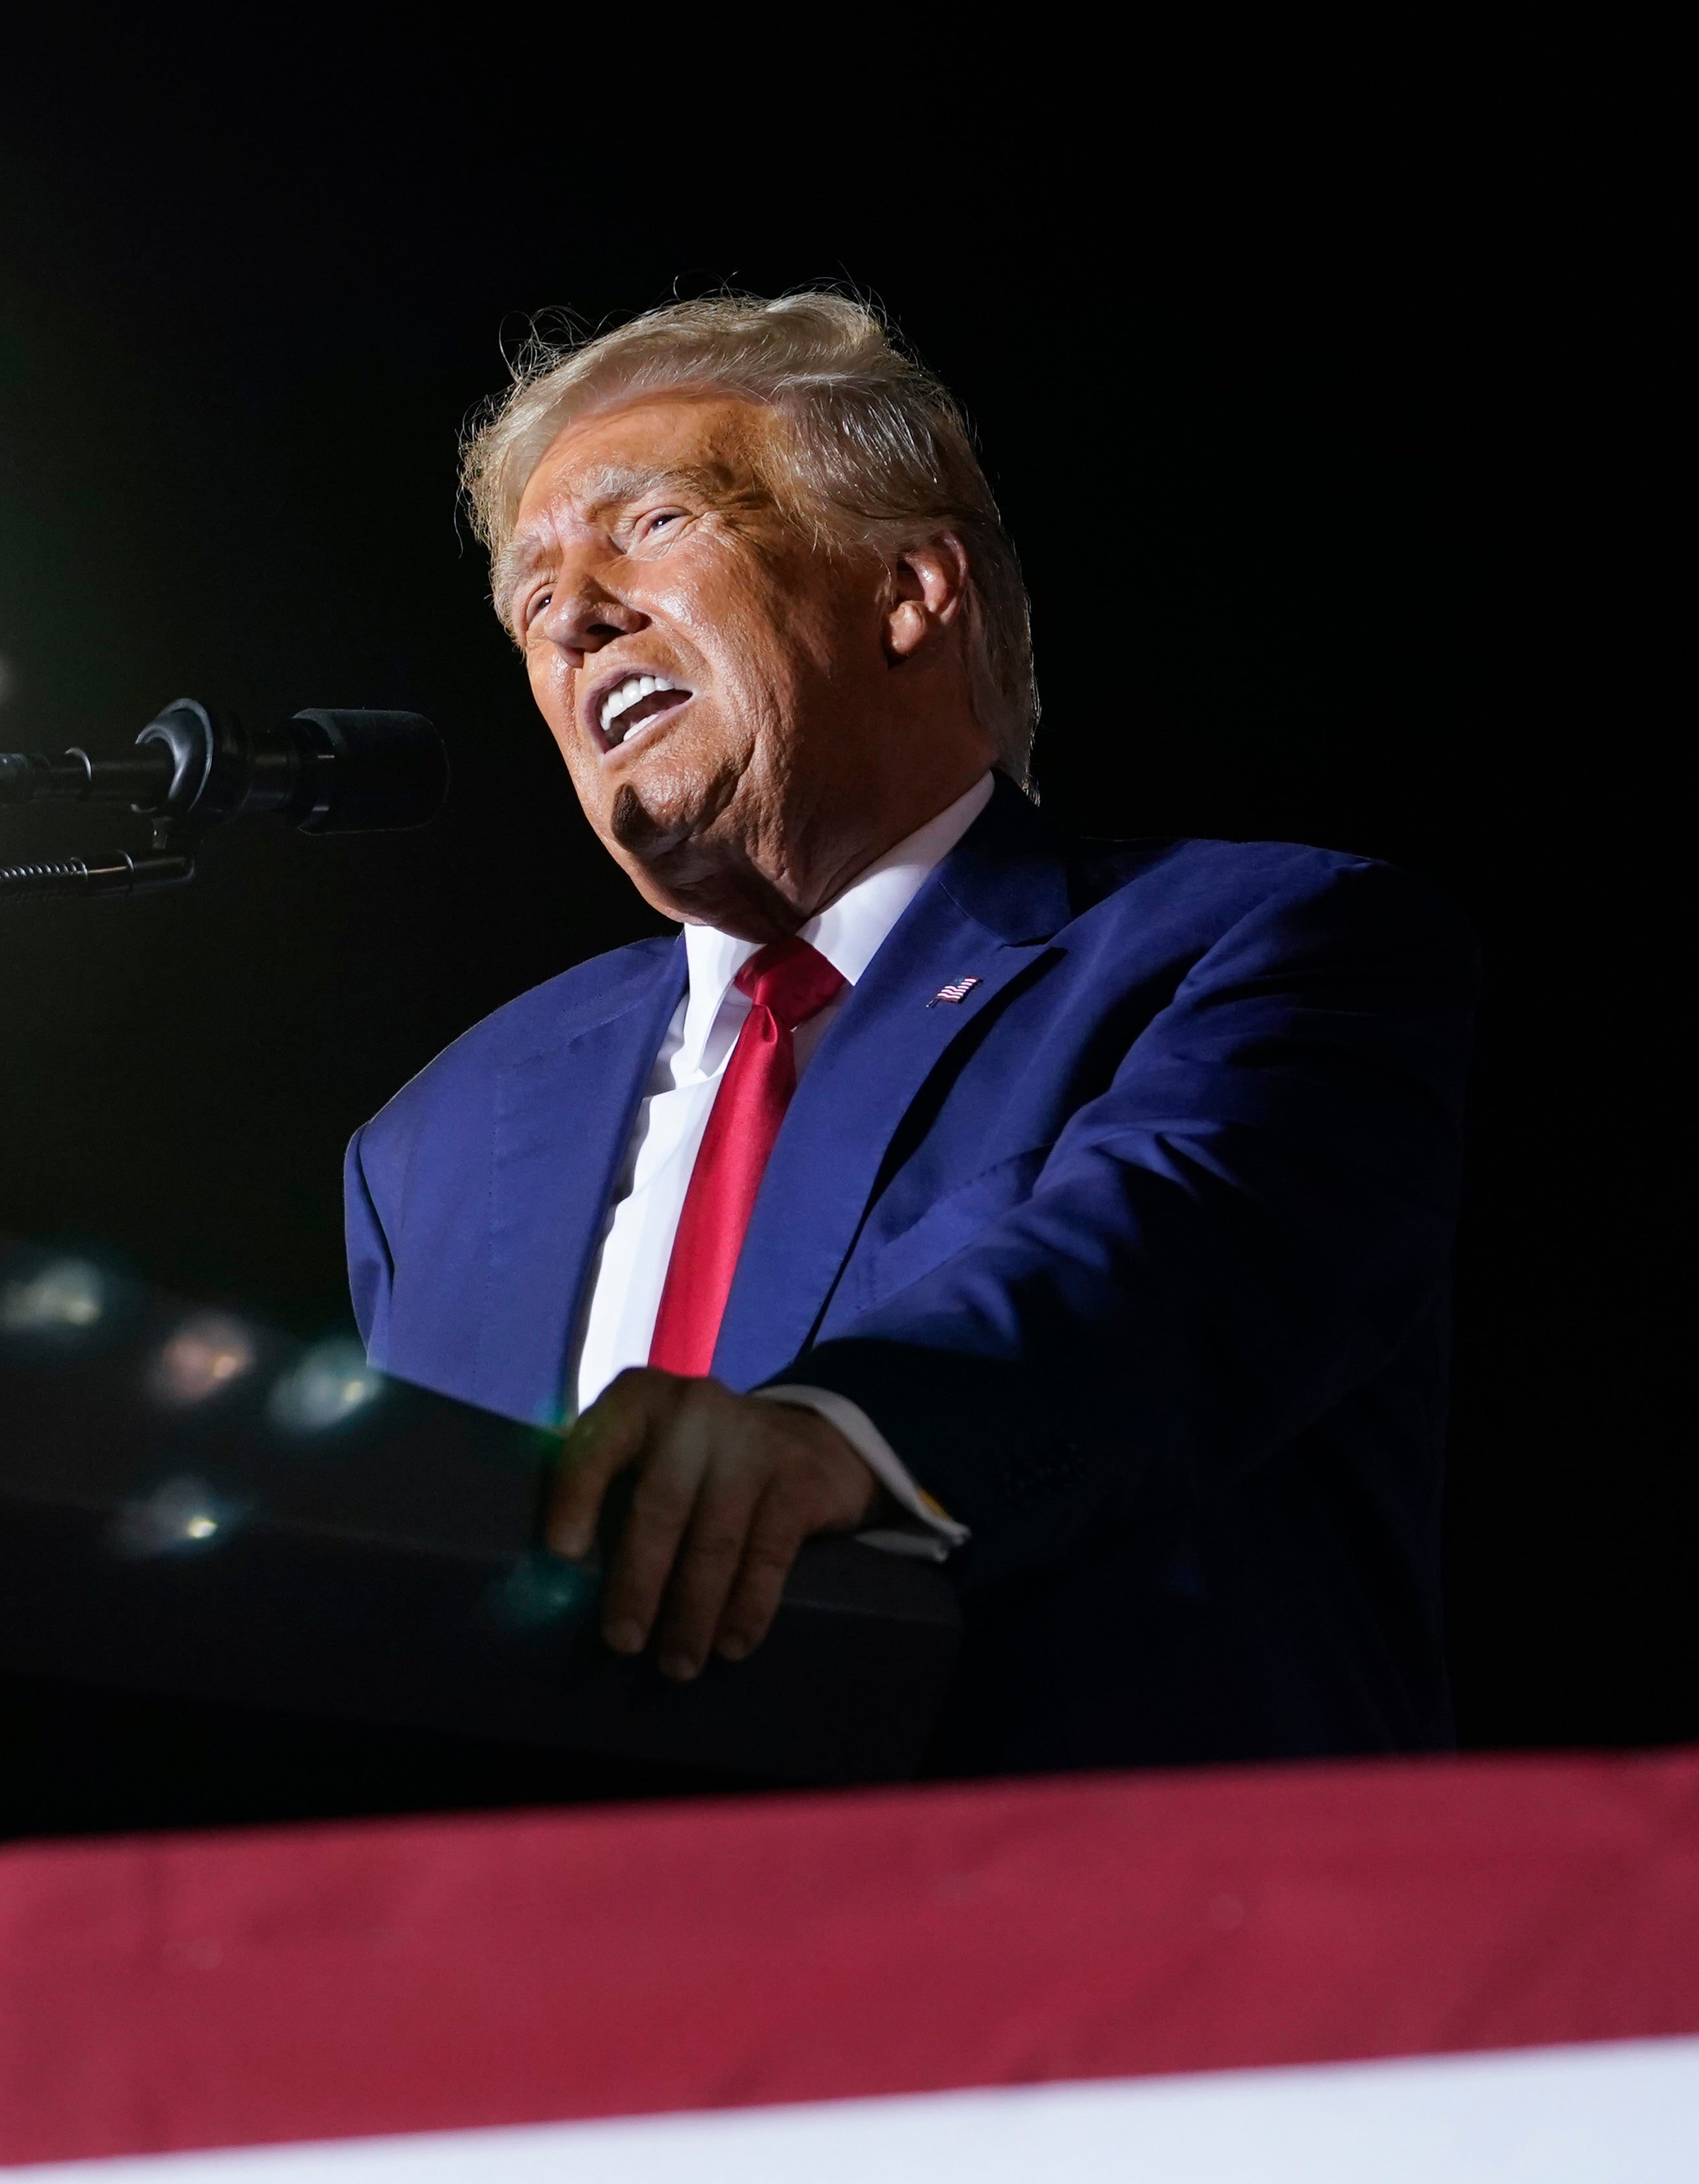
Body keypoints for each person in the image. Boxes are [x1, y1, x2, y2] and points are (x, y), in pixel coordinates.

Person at [345, 293, 1473, 1770]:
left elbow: (1158, 1266)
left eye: (652, 524)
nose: (569, 612)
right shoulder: (430, 1140)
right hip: (541, 1964)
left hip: (1095, 1942)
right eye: (529, 590)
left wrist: (838, 1430)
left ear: (907, 590)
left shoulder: (1254, 944)